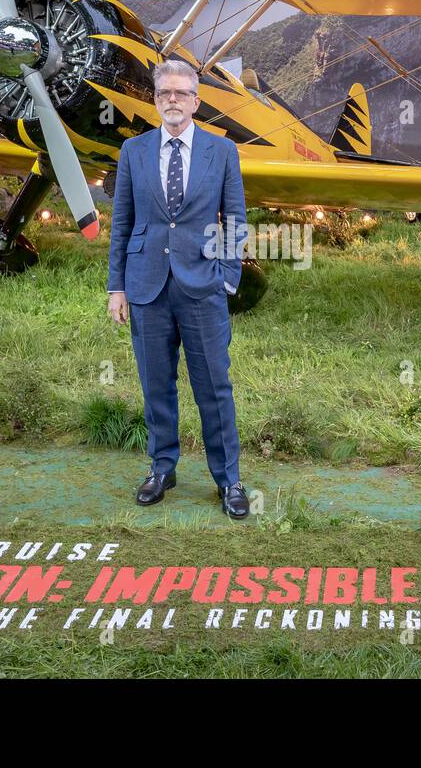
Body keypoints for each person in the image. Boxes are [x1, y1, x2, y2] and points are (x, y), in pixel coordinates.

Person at [106, 60, 250, 518]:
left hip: (203, 285)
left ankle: (229, 479)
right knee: (156, 385)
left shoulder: (222, 152)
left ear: (196, 101)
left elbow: (236, 219)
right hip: (145, 285)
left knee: (214, 386)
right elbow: (123, 223)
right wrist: (117, 287)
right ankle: (161, 467)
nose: (172, 99)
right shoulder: (134, 151)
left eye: (181, 93)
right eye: (164, 92)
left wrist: (227, 276)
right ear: (155, 99)